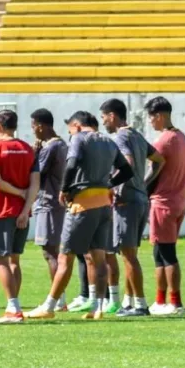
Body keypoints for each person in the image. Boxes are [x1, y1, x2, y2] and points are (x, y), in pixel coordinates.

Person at [27, 111, 134, 320]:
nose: (69, 133)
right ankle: (98, 307)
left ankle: (49, 307)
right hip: (104, 205)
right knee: (99, 257)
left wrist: (64, 189)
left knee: (64, 256)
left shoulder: (78, 139)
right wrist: (107, 184)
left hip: (82, 205)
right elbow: (127, 171)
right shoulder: (109, 141)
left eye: (69, 129)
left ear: (76, 125)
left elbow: (72, 163)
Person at [100, 99, 165, 317]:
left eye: (103, 118)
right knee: (130, 254)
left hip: (127, 202)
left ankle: (140, 305)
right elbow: (158, 159)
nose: (103, 123)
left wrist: (113, 186)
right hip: (140, 200)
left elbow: (126, 162)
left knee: (128, 256)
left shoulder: (120, 137)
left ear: (112, 116)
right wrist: (143, 184)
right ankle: (128, 302)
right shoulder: (136, 135)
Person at [0, 110, 39, 324]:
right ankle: (12, 306)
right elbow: (36, 184)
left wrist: (18, 193)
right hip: (22, 212)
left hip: (1, 209)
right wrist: (25, 209)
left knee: (0, 259)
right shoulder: (28, 149)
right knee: (15, 259)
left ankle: (14, 309)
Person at [144, 96, 185, 316]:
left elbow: (154, 171)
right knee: (158, 253)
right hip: (179, 201)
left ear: (159, 116)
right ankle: (160, 301)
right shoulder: (182, 137)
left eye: (151, 118)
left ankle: (175, 303)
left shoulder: (162, 141)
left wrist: (139, 189)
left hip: (163, 203)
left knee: (167, 253)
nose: (150, 122)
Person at [29, 109, 73, 312]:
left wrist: (35, 152)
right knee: (54, 251)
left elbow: (36, 171)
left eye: (33, 127)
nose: (33, 132)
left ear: (40, 126)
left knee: (50, 252)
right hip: (57, 203)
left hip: (48, 202)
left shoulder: (51, 147)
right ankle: (60, 298)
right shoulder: (63, 143)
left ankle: (59, 300)